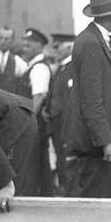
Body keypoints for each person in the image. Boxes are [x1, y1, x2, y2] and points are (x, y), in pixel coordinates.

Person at [63, 0, 111, 198]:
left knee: (97, 201)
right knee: (92, 203)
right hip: (94, 144)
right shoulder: (91, 43)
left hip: (96, 142)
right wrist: (106, 141)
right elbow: (91, 100)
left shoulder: (96, 40)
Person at [20, 27, 55, 196]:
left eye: (29, 44)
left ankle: (30, 199)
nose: (24, 46)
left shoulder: (39, 68)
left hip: (33, 124)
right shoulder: (33, 66)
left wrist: (28, 121)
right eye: (24, 43)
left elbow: (39, 97)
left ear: (40, 46)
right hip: (34, 123)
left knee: (31, 166)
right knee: (39, 166)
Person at [46, 39, 75, 192]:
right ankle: (64, 186)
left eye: (59, 48)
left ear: (70, 47)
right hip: (56, 122)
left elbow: (70, 101)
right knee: (59, 155)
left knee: (65, 157)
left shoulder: (72, 68)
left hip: (65, 123)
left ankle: (68, 189)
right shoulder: (62, 68)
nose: (56, 51)